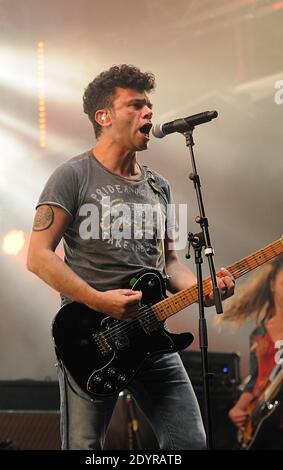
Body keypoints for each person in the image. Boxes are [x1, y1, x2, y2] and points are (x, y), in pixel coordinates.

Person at [27, 64, 235, 450]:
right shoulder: (71, 176)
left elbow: (170, 263)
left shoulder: (161, 187)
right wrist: (98, 299)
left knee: (190, 441)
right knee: (85, 448)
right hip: (92, 340)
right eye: (136, 105)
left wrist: (204, 288)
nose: (149, 113)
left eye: (149, 105)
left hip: (151, 334)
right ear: (103, 116)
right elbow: (38, 257)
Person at [225, 255, 283, 449]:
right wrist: (238, 409)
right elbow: (256, 379)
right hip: (262, 419)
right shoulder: (258, 334)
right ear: (272, 284)